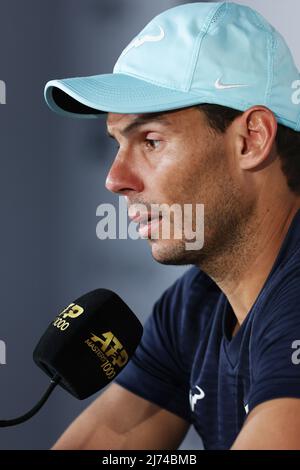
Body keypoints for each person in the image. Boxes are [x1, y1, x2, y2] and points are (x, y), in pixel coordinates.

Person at [44, 2, 300, 450]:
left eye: (151, 141)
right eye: (117, 144)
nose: (114, 179)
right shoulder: (194, 306)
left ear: (251, 139)